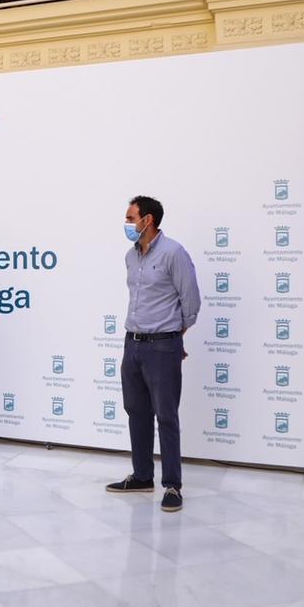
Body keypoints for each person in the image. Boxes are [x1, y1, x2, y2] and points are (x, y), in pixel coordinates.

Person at [106, 196, 201, 512]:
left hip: (163, 346)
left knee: (166, 417)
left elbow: (191, 303)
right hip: (132, 344)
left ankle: (172, 485)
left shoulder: (174, 253)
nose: (127, 223)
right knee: (136, 411)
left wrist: (173, 337)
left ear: (147, 220)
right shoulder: (130, 257)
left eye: (130, 217)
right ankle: (142, 475)